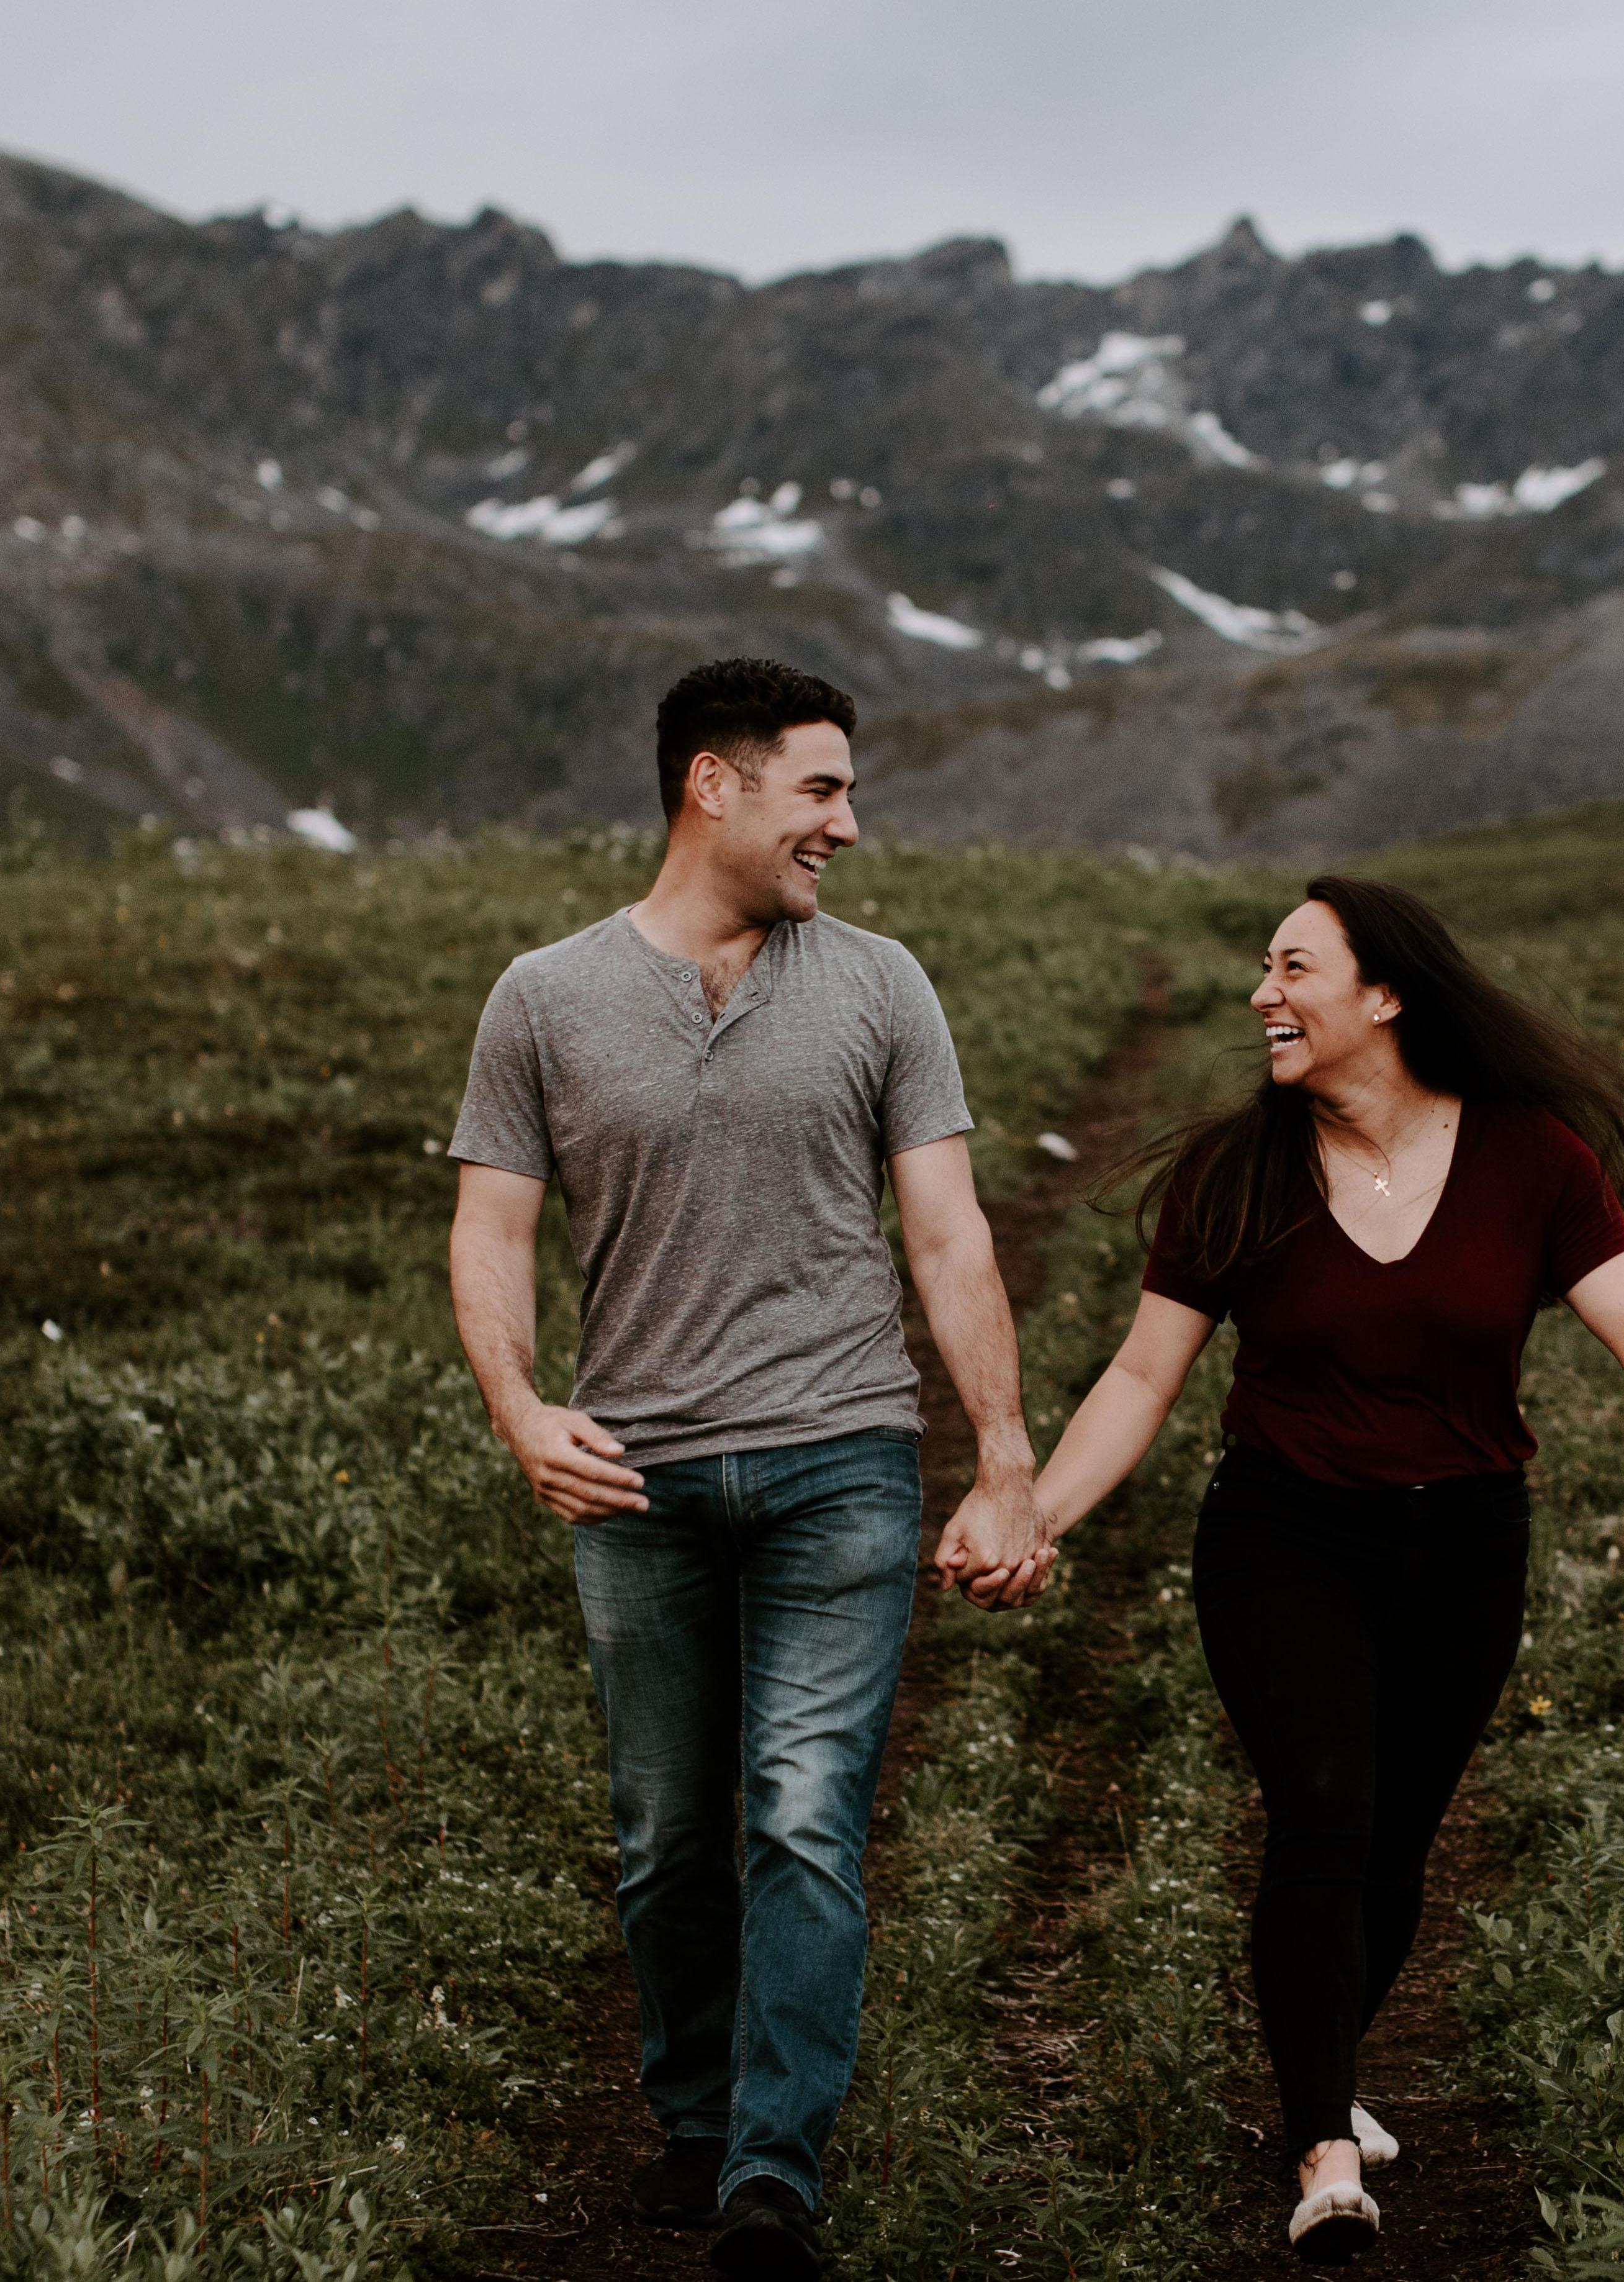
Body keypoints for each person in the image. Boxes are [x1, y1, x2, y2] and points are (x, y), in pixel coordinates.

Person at [1009, 876, 1624, 2265]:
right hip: (1283, 1535)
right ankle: (1323, 2147)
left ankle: (1323, 2062)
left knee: (1398, 1841)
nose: (1263, 995)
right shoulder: (1237, 1171)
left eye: (1294, 968)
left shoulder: (1530, 1159)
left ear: (1386, 993)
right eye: (1264, 968)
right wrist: (1035, 1514)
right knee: (1325, 1812)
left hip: (1465, 1544)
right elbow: (1142, 1376)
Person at [445, 658, 1045, 2282]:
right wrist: (519, 1408)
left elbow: (948, 1232)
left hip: (841, 1460)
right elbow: (492, 1229)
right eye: (821, 788)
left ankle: (773, 2170)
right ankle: (698, 2112)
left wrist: (1003, 1459)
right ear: (713, 784)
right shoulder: (543, 999)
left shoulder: (884, 986)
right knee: (665, 1834)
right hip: (635, 1481)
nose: (848, 824)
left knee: (800, 1814)